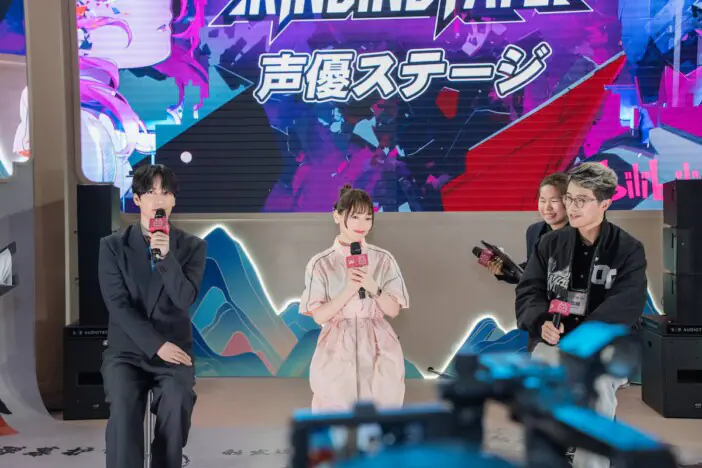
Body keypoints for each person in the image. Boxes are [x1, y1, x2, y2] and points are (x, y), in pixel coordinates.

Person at [515, 162, 647, 468]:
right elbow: (529, 291)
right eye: (569, 198)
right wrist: (540, 321)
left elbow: (627, 302)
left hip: (604, 345)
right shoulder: (549, 243)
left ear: (605, 203)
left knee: (597, 388)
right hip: (553, 341)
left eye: (582, 200)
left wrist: (584, 337)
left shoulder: (628, 248)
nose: (571, 207)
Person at [98, 164, 207, 468]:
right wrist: (156, 345)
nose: (158, 199)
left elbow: (185, 298)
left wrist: (166, 258)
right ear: (137, 199)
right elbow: (118, 305)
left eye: (165, 192)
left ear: (173, 201)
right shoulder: (112, 246)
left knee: (177, 401)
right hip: (127, 352)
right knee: (123, 410)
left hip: (174, 352)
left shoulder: (192, 247)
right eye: (150, 192)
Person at [299, 184, 410, 412]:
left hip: (378, 343)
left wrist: (373, 287)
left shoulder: (383, 259)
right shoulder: (321, 263)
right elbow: (319, 316)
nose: (362, 225)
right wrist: (349, 289)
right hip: (337, 345)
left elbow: (393, 310)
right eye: (355, 217)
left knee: (382, 410)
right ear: (337, 216)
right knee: (335, 412)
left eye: (368, 218)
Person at [488, 172, 569, 283]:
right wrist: (504, 270)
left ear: (569, 202)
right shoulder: (534, 231)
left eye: (554, 201)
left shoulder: (581, 234)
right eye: (542, 200)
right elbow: (532, 269)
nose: (547, 207)